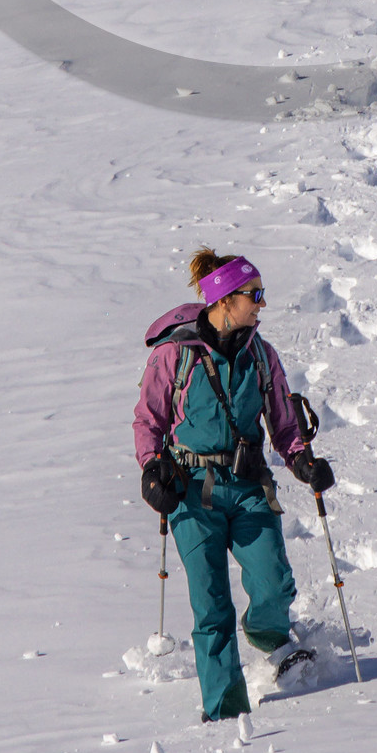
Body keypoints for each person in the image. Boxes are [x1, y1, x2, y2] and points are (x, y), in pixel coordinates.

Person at [134, 247, 336, 721]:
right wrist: (150, 472)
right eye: (255, 295)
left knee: (273, 580)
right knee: (211, 605)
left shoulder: (261, 356)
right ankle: (225, 709)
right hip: (191, 489)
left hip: (247, 486)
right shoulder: (173, 356)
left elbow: (284, 425)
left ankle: (270, 636)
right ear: (224, 300)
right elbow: (149, 420)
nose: (261, 303)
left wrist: (302, 463)